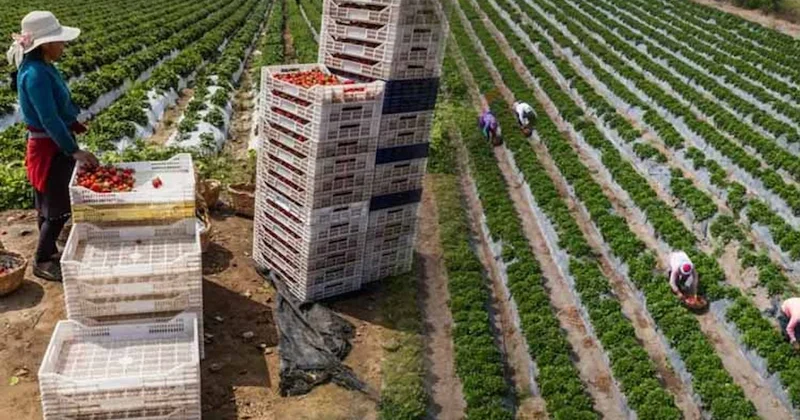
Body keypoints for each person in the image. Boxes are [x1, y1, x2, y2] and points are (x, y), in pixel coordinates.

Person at [7, 11, 97, 281]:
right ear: (45, 44)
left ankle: (49, 248)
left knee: (48, 203)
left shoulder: (44, 67)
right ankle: (43, 259)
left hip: (52, 141)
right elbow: (47, 118)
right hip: (49, 147)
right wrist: (73, 150)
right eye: (59, 41)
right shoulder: (35, 74)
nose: (63, 45)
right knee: (58, 206)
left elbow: (56, 110)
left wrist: (73, 123)